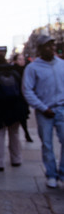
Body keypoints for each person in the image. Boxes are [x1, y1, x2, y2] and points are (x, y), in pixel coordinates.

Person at [22, 35, 64, 188]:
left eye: (52, 45)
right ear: (40, 49)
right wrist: (42, 107)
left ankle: (62, 173)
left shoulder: (61, 65)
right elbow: (27, 90)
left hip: (61, 108)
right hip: (44, 111)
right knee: (47, 144)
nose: (51, 48)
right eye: (47, 46)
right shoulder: (33, 68)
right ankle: (51, 174)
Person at [12, 53, 33, 142]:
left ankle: (26, 133)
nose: (22, 61)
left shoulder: (27, 70)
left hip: (23, 98)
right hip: (16, 97)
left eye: (23, 59)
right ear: (15, 61)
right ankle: (25, 134)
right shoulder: (13, 71)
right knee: (19, 117)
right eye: (19, 59)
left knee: (23, 117)